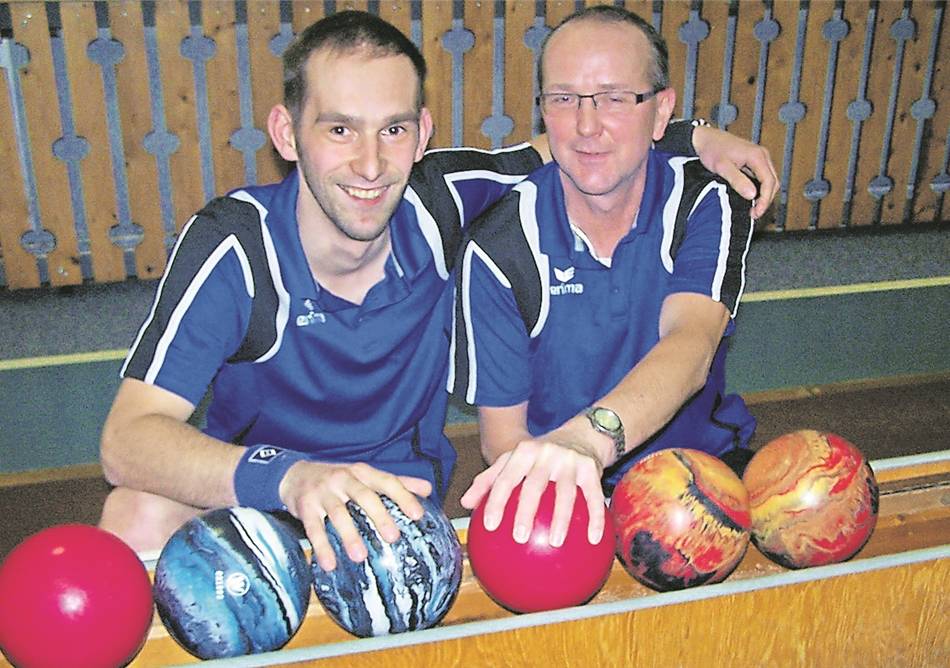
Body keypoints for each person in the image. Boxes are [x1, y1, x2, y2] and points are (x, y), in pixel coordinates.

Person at [98, 10, 776, 570]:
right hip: (264, 491)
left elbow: (580, 142)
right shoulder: (235, 244)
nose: (370, 165)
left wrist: (695, 137)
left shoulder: (444, 200)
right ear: (287, 133)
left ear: (421, 134)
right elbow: (126, 441)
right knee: (133, 511)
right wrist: (290, 477)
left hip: (393, 507)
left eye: (392, 129)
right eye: (339, 129)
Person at [453, 5, 763, 550]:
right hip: (566, 485)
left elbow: (691, 344)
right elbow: (505, 440)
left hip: (701, 476)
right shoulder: (498, 245)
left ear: (661, 112)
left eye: (616, 98)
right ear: (544, 112)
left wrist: (588, 439)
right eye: (564, 99)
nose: (587, 125)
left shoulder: (706, 201)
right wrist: (571, 475)